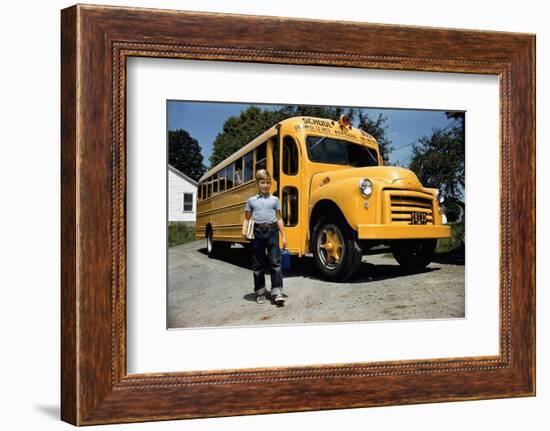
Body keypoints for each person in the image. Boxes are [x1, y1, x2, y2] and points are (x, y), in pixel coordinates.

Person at [242, 169, 287, 305]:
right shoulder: (251, 201)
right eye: (263, 182)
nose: (266, 185)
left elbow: (279, 218)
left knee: (275, 262)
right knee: (258, 264)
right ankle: (260, 292)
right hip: (257, 233)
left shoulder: (275, 200)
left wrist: (283, 236)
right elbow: (246, 218)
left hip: (273, 231)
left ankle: (277, 291)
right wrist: (244, 231)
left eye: (268, 182)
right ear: (257, 183)